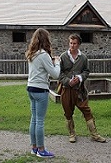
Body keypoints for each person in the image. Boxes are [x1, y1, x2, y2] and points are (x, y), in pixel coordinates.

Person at [59, 33, 106, 143]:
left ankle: (95, 135)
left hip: (79, 90)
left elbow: (86, 71)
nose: (72, 45)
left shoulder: (83, 57)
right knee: (68, 112)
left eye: (74, 43)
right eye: (70, 43)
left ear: (79, 44)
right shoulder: (63, 56)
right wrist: (68, 81)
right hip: (66, 90)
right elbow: (59, 73)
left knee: (87, 110)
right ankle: (72, 134)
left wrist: (79, 78)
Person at [25, 28, 60, 158]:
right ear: (46, 40)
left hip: (31, 88)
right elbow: (55, 74)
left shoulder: (31, 54)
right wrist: (57, 63)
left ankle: (34, 148)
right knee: (40, 121)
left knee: (34, 119)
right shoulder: (44, 55)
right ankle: (41, 150)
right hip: (40, 90)